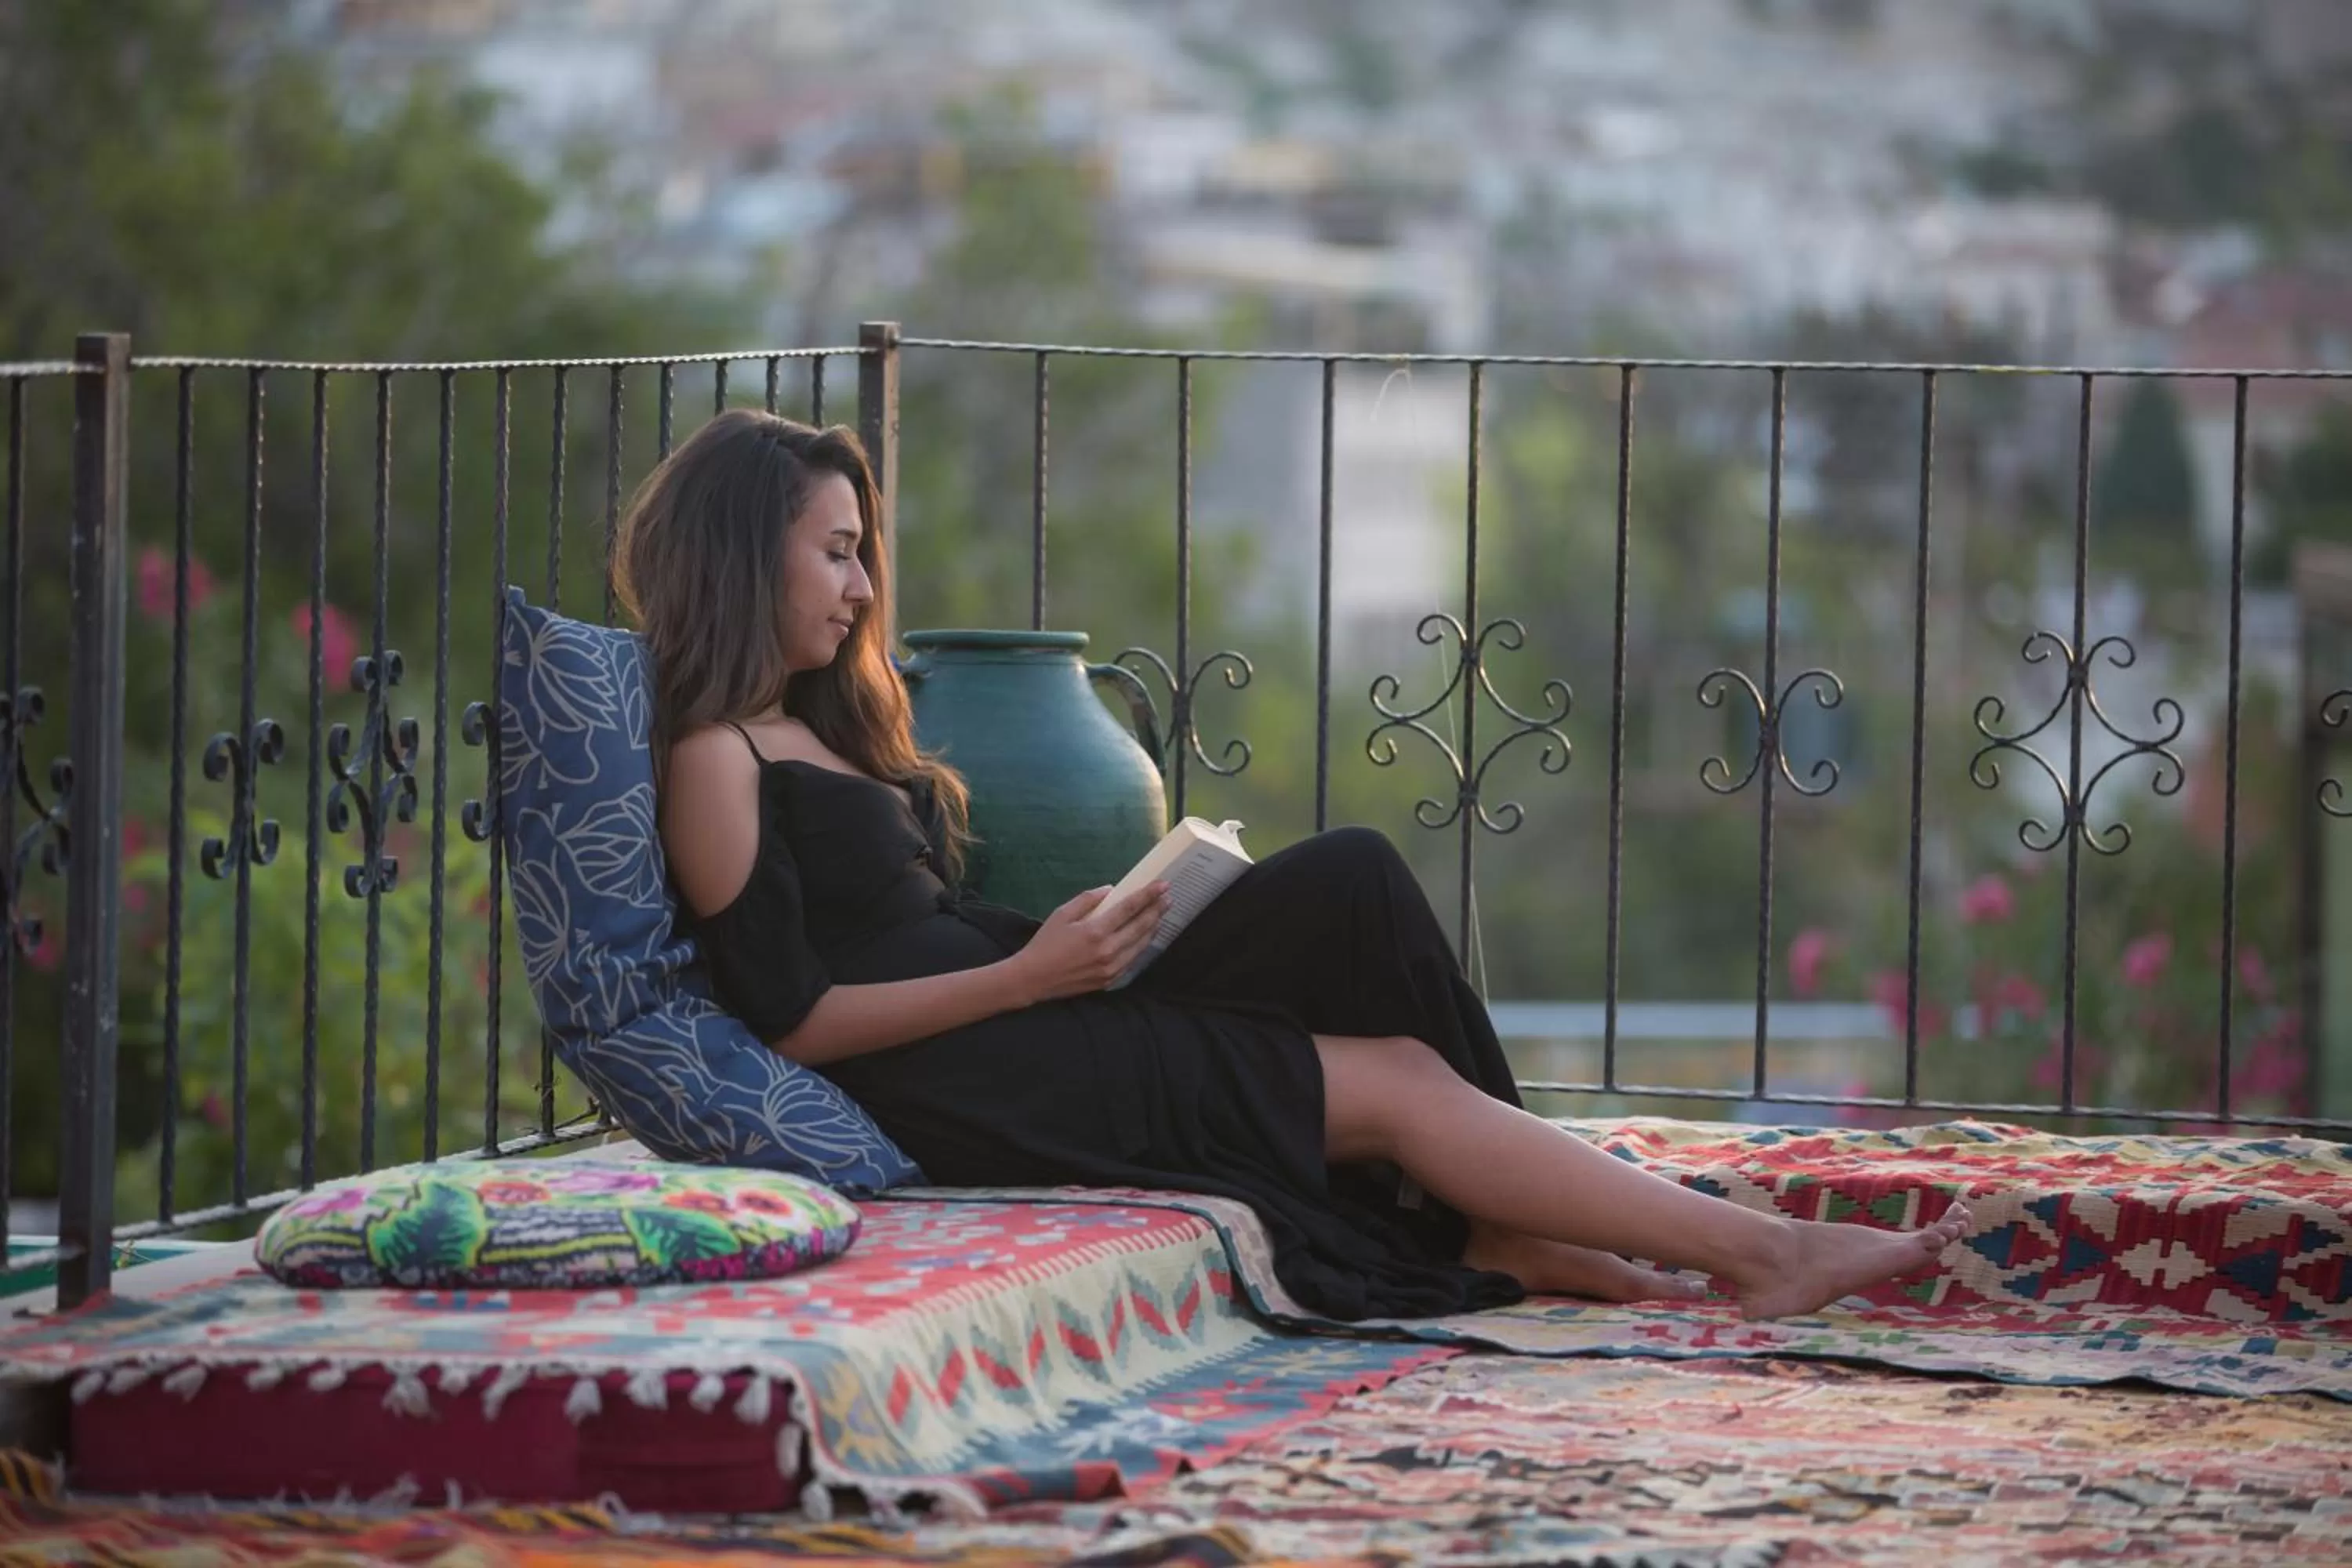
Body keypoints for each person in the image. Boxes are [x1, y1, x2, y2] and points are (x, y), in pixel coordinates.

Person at [621, 410, 1969, 1324]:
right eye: (838, 553)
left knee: (1351, 883)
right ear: (752, 552)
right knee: (1394, 1077)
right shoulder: (716, 758)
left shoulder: (821, 722)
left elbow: (917, 919)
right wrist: (1029, 981)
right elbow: (790, 1018)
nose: (863, 589)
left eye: (865, 555)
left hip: (1028, 1001)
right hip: (975, 1072)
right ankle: (1749, 1252)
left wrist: (1084, 934)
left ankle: (1505, 1214)